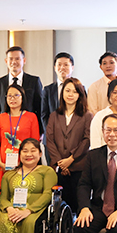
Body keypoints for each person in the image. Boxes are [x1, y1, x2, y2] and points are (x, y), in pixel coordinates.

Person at [45, 77, 92, 213]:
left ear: (80, 95)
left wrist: (71, 159)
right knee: (59, 207)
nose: (70, 94)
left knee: (77, 205)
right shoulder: (54, 115)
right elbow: (50, 139)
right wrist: (60, 163)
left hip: (78, 167)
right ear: (62, 93)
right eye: (67, 91)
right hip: (58, 169)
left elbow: (87, 140)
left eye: (75, 91)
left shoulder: (87, 116)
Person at [0, 84, 41, 191]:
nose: (12, 99)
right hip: (3, 166)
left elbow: (35, 143)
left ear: (22, 97)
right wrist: (0, 163)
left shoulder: (31, 117)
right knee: (1, 197)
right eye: (9, 96)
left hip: (26, 165)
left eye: (16, 95)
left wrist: (25, 163)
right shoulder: (0, 118)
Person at [0, 46, 44, 132]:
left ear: (24, 61)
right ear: (6, 61)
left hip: (28, 128)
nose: (14, 62)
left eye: (17, 59)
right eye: (11, 59)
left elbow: (39, 107)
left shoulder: (34, 81)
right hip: (5, 129)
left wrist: (40, 131)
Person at [40, 52, 76, 134]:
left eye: (66, 65)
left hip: (73, 137)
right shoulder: (47, 90)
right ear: (55, 67)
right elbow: (44, 115)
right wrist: (50, 133)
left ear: (72, 67)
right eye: (59, 65)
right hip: (52, 137)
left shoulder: (79, 88)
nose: (62, 67)